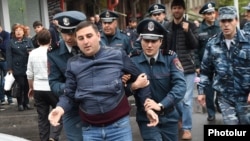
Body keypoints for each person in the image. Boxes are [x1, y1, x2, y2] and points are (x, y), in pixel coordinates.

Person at [48, 21, 159, 141]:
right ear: (77, 41)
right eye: (81, 38)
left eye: (89, 36)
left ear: (98, 36)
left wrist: (147, 107)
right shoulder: (73, 64)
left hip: (119, 128)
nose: (86, 41)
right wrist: (59, 109)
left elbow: (142, 79)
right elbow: (69, 94)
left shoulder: (117, 55)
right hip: (90, 130)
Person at [129, 18, 186, 141]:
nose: (149, 45)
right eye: (146, 40)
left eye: (153, 41)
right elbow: (122, 90)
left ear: (160, 41)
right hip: (146, 117)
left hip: (169, 116)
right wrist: (134, 86)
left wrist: (161, 105)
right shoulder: (133, 61)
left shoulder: (170, 58)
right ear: (141, 40)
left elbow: (180, 86)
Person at [197, 6, 250, 125]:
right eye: (223, 21)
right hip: (225, 96)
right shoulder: (212, 44)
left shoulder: (248, 41)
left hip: (245, 97)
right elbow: (206, 71)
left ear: (236, 20)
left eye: (229, 20)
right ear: (219, 22)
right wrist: (201, 91)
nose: (226, 24)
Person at [47, 10, 86, 141]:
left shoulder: (92, 45)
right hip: (71, 107)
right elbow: (53, 82)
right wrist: (70, 88)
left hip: (95, 106)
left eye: (72, 32)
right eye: (64, 32)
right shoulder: (54, 52)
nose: (68, 37)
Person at [164, 0, 199, 139]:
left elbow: (195, 44)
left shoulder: (190, 25)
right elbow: (164, 48)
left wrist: (188, 31)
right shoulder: (167, 27)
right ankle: (180, 117)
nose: (176, 11)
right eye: (174, 8)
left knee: (186, 100)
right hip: (172, 68)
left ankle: (186, 128)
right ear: (171, 10)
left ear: (183, 10)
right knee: (176, 99)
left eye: (179, 8)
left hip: (187, 68)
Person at [26, 29, 62, 141]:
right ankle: (54, 135)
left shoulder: (32, 54)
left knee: (42, 117)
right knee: (58, 113)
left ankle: (44, 138)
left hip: (38, 87)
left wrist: (31, 87)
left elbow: (29, 74)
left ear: (37, 40)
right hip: (51, 87)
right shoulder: (53, 53)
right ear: (50, 40)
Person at [196, 2, 221, 121]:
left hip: (221, 63)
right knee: (209, 91)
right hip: (206, 66)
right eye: (209, 14)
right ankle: (211, 112)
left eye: (213, 13)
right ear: (204, 15)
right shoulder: (199, 30)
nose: (212, 15)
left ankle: (219, 102)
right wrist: (197, 65)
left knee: (221, 88)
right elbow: (195, 49)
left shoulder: (220, 27)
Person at [6, 24, 34, 111]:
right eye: (16, 30)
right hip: (16, 67)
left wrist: (31, 52)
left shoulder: (28, 40)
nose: (18, 32)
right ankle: (20, 103)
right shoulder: (11, 42)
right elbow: (9, 56)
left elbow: (33, 50)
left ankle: (27, 102)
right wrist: (10, 68)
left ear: (23, 32)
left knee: (26, 86)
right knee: (20, 85)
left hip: (27, 66)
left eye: (20, 30)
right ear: (14, 32)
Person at [0, 25, 14, 106]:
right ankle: (2, 99)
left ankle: (10, 98)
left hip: (5, 60)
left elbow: (5, 46)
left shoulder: (6, 34)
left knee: (6, 80)